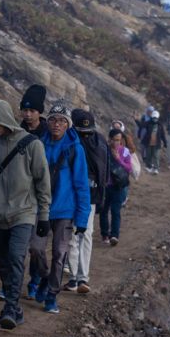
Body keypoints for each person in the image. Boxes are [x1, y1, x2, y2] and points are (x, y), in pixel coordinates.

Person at [0, 100, 50, 330]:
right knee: (2, 262)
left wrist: (44, 216)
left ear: (2, 120)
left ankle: (11, 308)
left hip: (24, 213)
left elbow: (43, 182)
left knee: (15, 256)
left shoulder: (32, 144)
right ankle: (14, 308)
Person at [27, 102, 89, 314]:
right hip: (40, 207)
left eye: (62, 121)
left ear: (68, 125)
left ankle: (52, 294)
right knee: (35, 248)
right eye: (53, 119)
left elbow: (81, 185)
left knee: (59, 253)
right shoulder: (38, 144)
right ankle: (44, 278)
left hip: (65, 210)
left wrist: (82, 219)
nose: (56, 124)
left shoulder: (75, 149)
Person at [66, 109, 109, 294]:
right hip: (85, 194)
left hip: (79, 194)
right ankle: (78, 277)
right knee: (82, 234)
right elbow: (104, 172)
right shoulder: (98, 141)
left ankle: (78, 277)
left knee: (77, 235)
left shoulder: (72, 139)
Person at [100, 129, 132, 246]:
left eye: (118, 140)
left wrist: (119, 159)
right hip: (105, 186)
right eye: (114, 140)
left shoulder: (125, 151)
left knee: (115, 211)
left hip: (118, 186)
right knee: (103, 211)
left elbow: (129, 168)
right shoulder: (103, 150)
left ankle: (114, 235)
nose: (116, 143)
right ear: (109, 139)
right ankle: (104, 234)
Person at [141, 110, 166, 174]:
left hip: (156, 143)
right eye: (154, 118)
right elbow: (141, 125)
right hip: (148, 142)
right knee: (148, 155)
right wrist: (136, 120)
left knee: (156, 156)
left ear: (158, 118)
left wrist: (165, 143)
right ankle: (149, 167)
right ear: (152, 117)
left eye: (156, 118)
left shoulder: (160, 125)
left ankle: (156, 168)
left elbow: (163, 135)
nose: (155, 119)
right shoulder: (148, 123)